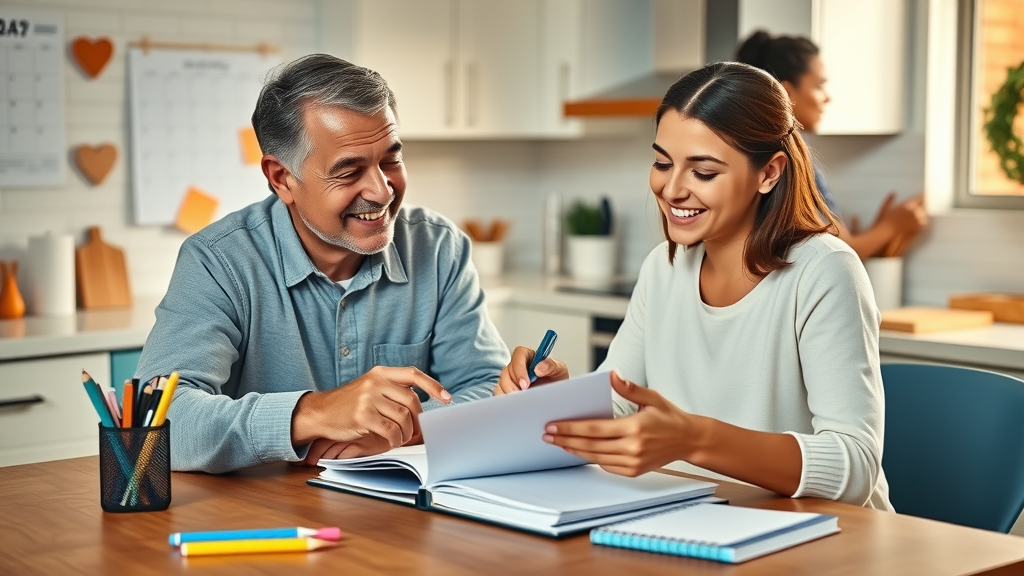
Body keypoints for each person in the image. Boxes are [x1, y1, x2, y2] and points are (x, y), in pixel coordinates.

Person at [495, 62, 892, 510]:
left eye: (703, 173)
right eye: (662, 163)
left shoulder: (825, 271)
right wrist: (556, 401)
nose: (672, 189)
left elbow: (855, 466)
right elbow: (622, 404)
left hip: (832, 541)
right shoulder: (663, 268)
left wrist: (695, 438)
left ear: (769, 173)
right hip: (705, 522)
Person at [135, 54, 509, 474]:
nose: (382, 191)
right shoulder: (218, 261)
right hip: (262, 521)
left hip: (401, 517)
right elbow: (159, 422)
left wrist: (401, 426)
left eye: (390, 160)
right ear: (281, 178)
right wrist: (313, 414)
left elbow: (489, 389)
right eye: (349, 171)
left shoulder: (439, 248)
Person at [736, 30, 929, 260]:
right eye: (819, 86)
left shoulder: (752, 152)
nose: (827, 98)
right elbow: (839, 252)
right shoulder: (794, 159)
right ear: (786, 93)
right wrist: (892, 225)